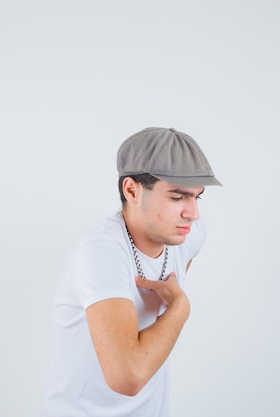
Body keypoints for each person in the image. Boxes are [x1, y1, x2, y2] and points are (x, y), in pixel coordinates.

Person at [40, 127, 222, 417]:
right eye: (177, 198)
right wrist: (180, 308)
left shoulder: (190, 235)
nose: (193, 213)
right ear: (132, 190)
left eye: (196, 198)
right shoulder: (102, 252)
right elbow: (127, 377)